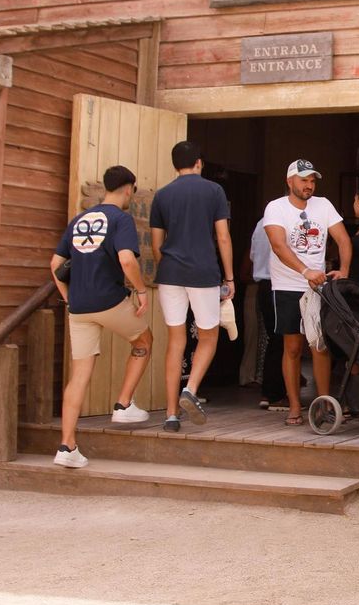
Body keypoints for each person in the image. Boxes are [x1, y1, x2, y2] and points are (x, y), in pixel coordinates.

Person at [48, 165, 153, 468]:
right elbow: (126, 259)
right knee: (144, 340)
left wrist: (69, 296)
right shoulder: (121, 219)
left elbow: (56, 263)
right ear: (129, 188)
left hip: (79, 308)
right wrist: (141, 291)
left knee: (79, 375)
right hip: (108, 301)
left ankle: (67, 447)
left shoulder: (79, 219)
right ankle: (123, 404)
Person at [150, 141, 233, 432]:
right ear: (199, 162)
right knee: (208, 336)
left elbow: (156, 244)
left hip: (170, 273)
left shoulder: (162, 195)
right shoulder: (214, 191)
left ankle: (171, 414)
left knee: (176, 341)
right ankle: (191, 389)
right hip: (203, 273)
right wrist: (230, 277)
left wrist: (169, 265)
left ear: (176, 165)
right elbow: (222, 237)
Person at [261, 160, 351, 426]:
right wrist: (305, 271)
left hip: (318, 288)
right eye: (303, 180)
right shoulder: (275, 208)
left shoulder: (323, 205)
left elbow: (343, 239)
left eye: (312, 180)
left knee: (319, 346)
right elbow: (278, 246)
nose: (309, 185)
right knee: (293, 347)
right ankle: (294, 406)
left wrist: (344, 269)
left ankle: (324, 404)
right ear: (290, 181)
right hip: (288, 285)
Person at [247, 222, 288, 410]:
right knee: (283, 339)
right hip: (281, 285)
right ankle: (274, 394)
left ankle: (269, 391)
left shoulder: (259, 224)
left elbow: (252, 255)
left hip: (263, 286)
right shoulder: (287, 222)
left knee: (274, 338)